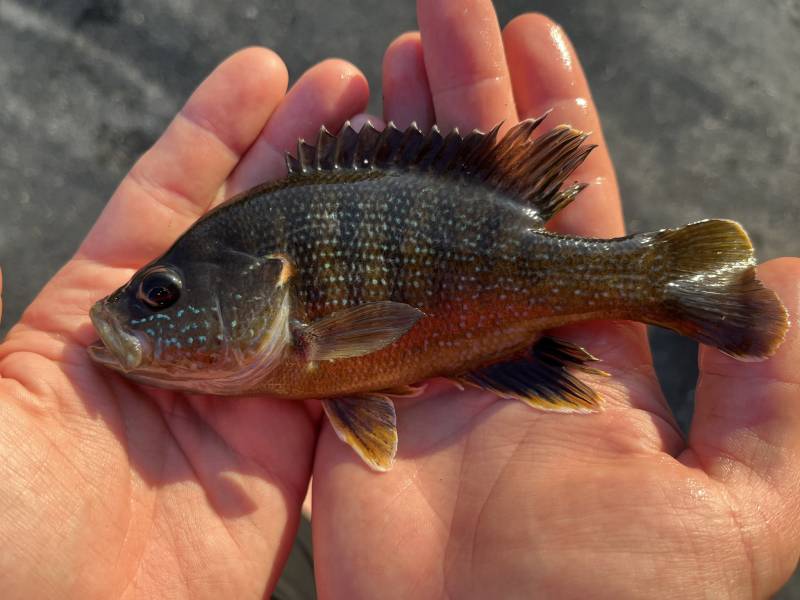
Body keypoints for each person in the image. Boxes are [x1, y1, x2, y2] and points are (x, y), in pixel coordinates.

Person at [1, 1, 798, 597]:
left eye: (161, 295)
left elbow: (383, 338)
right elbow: (378, 353)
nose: (131, 318)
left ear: (262, 286)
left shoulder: (295, 326)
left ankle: (652, 277)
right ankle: (656, 278)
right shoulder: (273, 311)